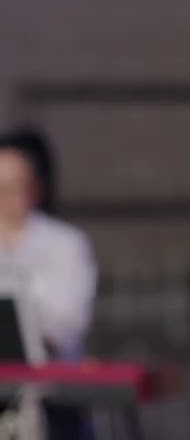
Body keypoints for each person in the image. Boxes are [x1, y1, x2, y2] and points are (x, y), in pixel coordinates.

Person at [0, 127, 97, 439]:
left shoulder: (66, 244)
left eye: (16, 186)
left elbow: (70, 321)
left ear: (36, 187)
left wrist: (30, 331)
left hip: (52, 394)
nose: (8, 197)